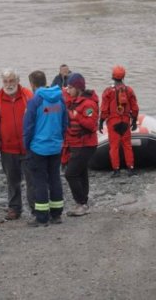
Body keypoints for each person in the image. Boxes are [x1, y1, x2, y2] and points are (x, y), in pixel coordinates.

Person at [0, 69, 35, 220]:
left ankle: (36, 208)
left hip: (28, 146)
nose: (9, 84)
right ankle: (14, 208)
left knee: (32, 179)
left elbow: (38, 117)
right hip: (7, 148)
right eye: (6, 81)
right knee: (12, 180)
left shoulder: (27, 96)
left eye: (12, 81)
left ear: (18, 81)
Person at [23, 70, 68, 227]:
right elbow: (65, 123)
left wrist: (26, 146)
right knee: (55, 178)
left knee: (40, 181)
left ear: (32, 84)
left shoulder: (35, 101)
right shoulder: (59, 99)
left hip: (39, 148)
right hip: (55, 146)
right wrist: (59, 139)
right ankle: (56, 214)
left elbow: (28, 127)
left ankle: (42, 216)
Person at [62, 73, 99, 217]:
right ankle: (83, 203)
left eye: (71, 87)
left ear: (78, 88)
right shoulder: (74, 101)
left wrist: (77, 116)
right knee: (81, 173)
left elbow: (91, 125)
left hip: (86, 144)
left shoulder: (89, 105)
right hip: (76, 143)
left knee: (70, 174)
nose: (68, 90)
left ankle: (81, 202)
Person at [100, 65, 139, 178]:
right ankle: (130, 168)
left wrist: (101, 122)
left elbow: (104, 109)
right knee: (127, 145)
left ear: (113, 76)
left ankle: (116, 170)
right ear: (123, 76)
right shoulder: (129, 90)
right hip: (125, 121)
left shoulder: (108, 91)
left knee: (114, 147)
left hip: (113, 122)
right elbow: (135, 107)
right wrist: (135, 120)